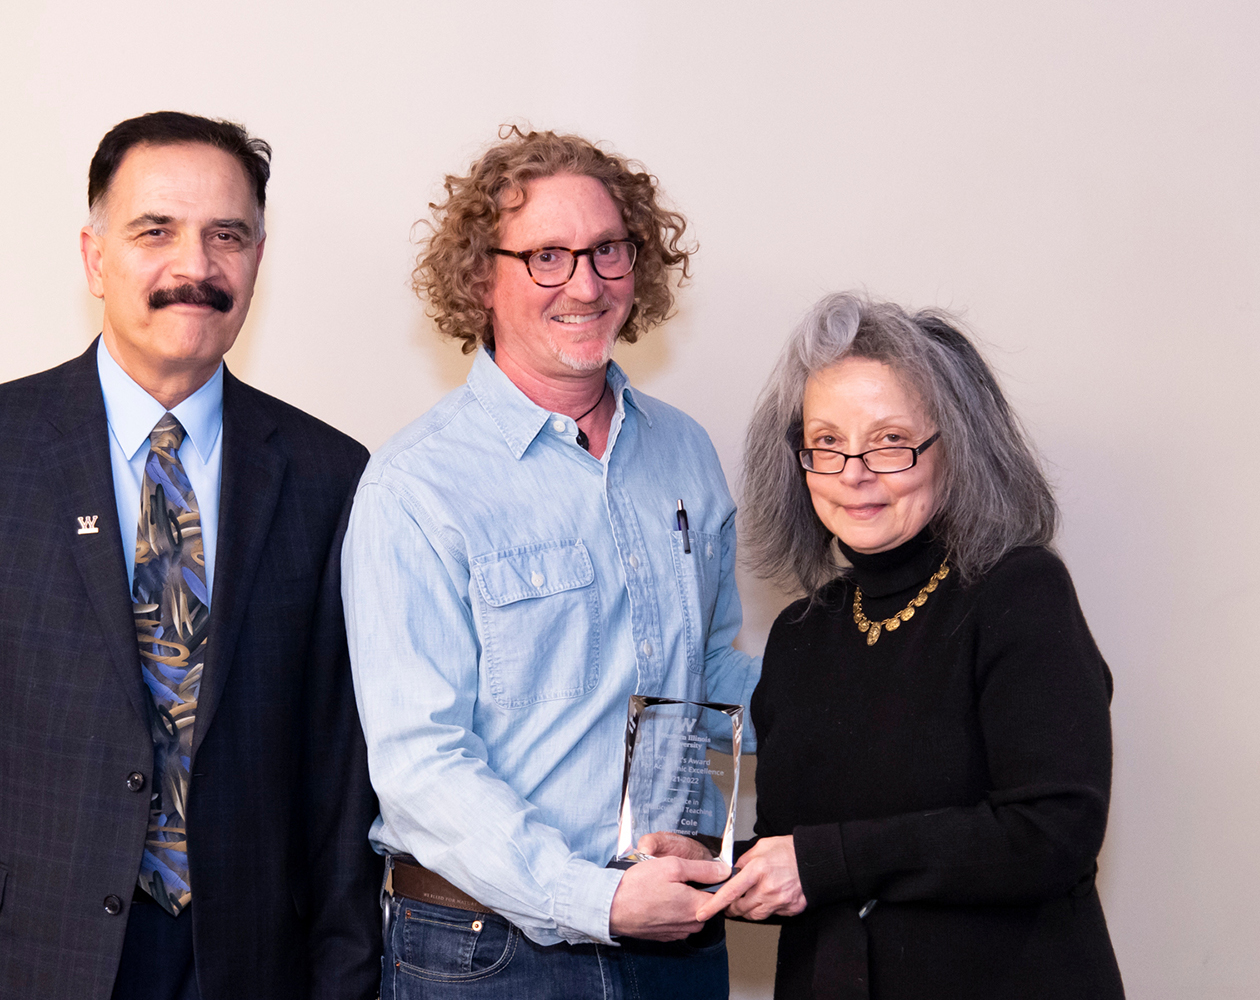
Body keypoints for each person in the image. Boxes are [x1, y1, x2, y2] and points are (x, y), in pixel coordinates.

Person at [0, 111, 381, 1000]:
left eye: (227, 235)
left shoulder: (330, 473)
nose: (195, 266)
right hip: (29, 959)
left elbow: (339, 782)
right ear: (96, 258)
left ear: (257, 258)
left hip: (253, 964)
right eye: (155, 231)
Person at [341, 127, 760, 999]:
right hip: (487, 953)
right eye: (547, 257)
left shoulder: (683, 452)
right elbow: (421, 763)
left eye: (608, 249)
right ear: (479, 278)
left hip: (673, 933)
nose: (586, 283)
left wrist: (695, 831)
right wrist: (594, 900)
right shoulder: (416, 488)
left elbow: (710, 678)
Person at [690, 292, 1124, 998]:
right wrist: (705, 869)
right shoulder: (802, 635)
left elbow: (1053, 833)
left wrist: (822, 862)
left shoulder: (1020, 593)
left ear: (959, 450)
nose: (853, 472)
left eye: (890, 440)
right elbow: (799, 860)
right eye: (826, 441)